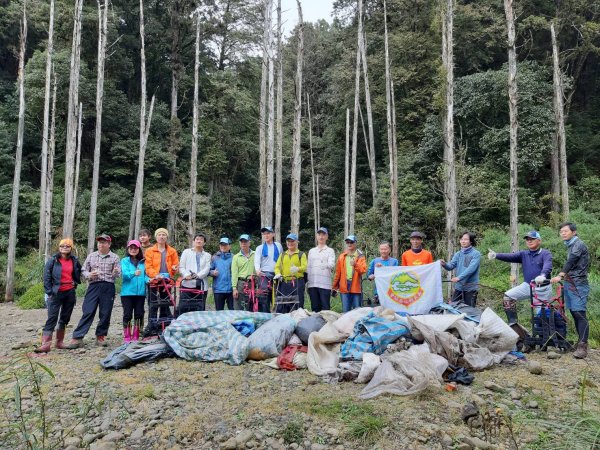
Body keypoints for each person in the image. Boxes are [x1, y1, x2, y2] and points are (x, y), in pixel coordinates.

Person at [488, 230, 552, 338]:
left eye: (532, 239)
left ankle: (543, 341)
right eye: (527, 239)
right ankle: (514, 325)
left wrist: (543, 275)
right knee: (508, 296)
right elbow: (510, 256)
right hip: (528, 285)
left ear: (539, 241)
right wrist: (496, 255)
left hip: (542, 288)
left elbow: (548, 265)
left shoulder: (545, 253)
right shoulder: (524, 254)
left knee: (541, 315)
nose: (529, 241)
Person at [67, 234, 121, 348]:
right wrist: (89, 274)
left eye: (104, 242)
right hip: (93, 286)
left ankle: (100, 336)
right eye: (99, 242)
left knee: (105, 312)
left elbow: (117, 274)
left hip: (108, 286)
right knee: (88, 310)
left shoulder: (115, 257)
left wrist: (115, 272)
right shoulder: (91, 256)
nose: (101, 244)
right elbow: (83, 269)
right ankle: (78, 337)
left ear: (109, 244)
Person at [550, 223, 590, 359]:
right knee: (573, 312)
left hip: (579, 284)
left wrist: (560, 275)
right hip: (570, 282)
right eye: (561, 231)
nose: (563, 233)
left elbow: (571, 261)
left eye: (565, 231)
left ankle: (583, 346)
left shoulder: (578, 244)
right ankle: (580, 341)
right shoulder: (570, 245)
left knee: (579, 313)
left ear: (574, 232)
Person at [35, 239, 82, 353]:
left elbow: (78, 272)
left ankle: (59, 342)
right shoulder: (53, 260)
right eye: (62, 245)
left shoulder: (74, 260)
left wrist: (75, 283)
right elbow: (46, 277)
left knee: (65, 318)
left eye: (67, 246)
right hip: (55, 293)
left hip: (69, 292)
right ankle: (45, 344)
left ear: (71, 248)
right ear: (59, 247)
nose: (64, 247)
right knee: (52, 318)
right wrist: (49, 292)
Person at [144, 228, 179, 336]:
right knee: (153, 304)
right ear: (156, 237)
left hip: (167, 282)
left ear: (167, 237)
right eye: (159, 234)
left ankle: (163, 326)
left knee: (165, 304)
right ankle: (152, 326)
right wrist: (156, 275)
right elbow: (148, 267)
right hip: (154, 281)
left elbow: (176, 265)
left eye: (164, 234)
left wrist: (174, 269)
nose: (162, 236)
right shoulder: (150, 251)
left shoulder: (172, 251)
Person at [440, 232, 481, 307]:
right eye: (461, 239)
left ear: (471, 241)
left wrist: (459, 277)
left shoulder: (476, 254)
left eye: (465, 239)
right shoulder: (458, 254)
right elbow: (451, 266)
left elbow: (471, 269)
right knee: (453, 308)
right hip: (459, 287)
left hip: (470, 288)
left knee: (469, 310)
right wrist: (444, 264)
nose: (463, 241)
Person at [120, 240, 147, 343]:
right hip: (127, 293)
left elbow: (145, 276)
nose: (133, 250)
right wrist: (134, 273)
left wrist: (151, 280)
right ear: (128, 249)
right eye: (131, 248)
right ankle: (127, 336)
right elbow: (125, 275)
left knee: (139, 313)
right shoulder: (124, 261)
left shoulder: (143, 262)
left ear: (139, 249)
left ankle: (136, 335)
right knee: (127, 314)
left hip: (140, 293)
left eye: (135, 248)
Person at [274, 233, 308, 312]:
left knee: (297, 305)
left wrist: (297, 269)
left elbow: (304, 267)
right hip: (284, 283)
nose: (290, 243)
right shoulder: (282, 255)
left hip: (297, 283)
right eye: (288, 241)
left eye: (292, 241)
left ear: (296, 242)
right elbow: (277, 267)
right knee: (283, 305)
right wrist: (278, 273)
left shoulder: (301, 254)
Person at [333, 235, 367, 313]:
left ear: (355, 243)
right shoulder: (342, 256)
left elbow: (363, 270)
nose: (349, 244)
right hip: (344, 287)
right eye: (347, 242)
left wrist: (355, 265)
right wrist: (334, 287)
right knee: (345, 312)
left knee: (357, 312)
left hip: (356, 287)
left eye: (351, 242)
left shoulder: (360, 256)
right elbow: (338, 273)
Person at [179, 232, 211, 312]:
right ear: (193, 241)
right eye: (197, 239)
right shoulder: (186, 252)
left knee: (199, 308)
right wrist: (186, 275)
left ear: (204, 242)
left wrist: (197, 275)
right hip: (187, 284)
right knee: (184, 307)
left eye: (201, 240)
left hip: (201, 284)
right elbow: (181, 266)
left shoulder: (207, 255)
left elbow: (207, 268)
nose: (199, 241)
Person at [254, 226, 283, 312]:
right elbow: (257, 260)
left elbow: (281, 260)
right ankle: (264, 317)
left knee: (277, 297)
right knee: (264, 298)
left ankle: (277, 317)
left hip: (276, 274)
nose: (266, 235)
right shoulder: (260, 248)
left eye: (268, 233)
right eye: (264, 234)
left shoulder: (278, 246)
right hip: (264, 275)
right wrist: (257, 270)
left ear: (273, 234)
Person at [307, 227, 336, 312]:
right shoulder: (311, 251)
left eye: (323, 234)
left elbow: (332, 264)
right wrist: (307, 282)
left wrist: (325, 265)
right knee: (315, 309)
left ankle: (326, 325)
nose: (321, 237)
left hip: (325, 284)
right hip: (312, 284)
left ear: (327, 237)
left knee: (325, 309)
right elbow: (308, 267)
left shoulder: (330, 250)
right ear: (316, 236)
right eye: (319, 234)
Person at [232, 234, 255, 310]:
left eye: (245, 242)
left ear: (249, 243)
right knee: (239, 306)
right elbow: (234, 273)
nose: (243, 244)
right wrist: (234, 288)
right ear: (239, 244)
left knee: (251, 306)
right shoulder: (236, 257)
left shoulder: (255, 254)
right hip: (241, 284)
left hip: (253, 283)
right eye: (242, 242)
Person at [210, 237, 234, 310]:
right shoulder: (214, 257)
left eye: (225, 245)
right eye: (221, 245)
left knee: (233, 311)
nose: (223, 247)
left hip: (231, 289)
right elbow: (209, 270)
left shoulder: (234, 257)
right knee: (219, 311)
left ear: (229, 246)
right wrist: (212, 272)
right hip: (218, 289)